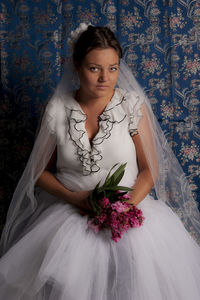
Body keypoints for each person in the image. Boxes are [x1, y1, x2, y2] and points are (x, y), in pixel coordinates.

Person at [0, 24, 200, 300]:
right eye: (94, 68)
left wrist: (123, 209)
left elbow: (149, 170)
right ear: (77, 65)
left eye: (113, 68)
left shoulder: (131, 105)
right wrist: (75, 198)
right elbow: (38, 172)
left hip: (129, 213)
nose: (105, 78)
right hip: (69, 215)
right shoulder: (58, 109)